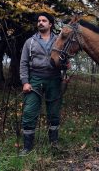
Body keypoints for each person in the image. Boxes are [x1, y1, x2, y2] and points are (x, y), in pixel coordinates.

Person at [19, 12, 63, 155]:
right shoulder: (30, 42)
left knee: (54, 113)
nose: (40, 23)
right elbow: (24, 63)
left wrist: (65, 66)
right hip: (35, 79)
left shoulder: (58, 40)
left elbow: (64, 60)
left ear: (50, 24)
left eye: (44, 20)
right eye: (39, 20)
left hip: (54, 79)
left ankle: (54, 144)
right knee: (29, 112)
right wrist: (25, 82)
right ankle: (27, 148)